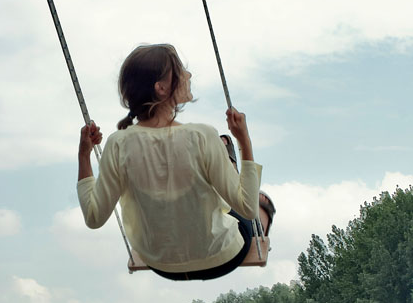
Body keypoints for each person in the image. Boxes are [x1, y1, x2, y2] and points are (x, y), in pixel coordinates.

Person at [77, 43, 275, 281]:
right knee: (254, 207)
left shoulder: (117, 144)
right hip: (222, 258)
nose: (188, 75)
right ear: (161, 88)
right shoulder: (202, 136)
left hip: (162, 265)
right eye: (181, 70)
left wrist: (84, 155)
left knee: (206, 187)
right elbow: (248, 208)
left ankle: (223, 167)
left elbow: (94, 218)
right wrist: (244, 140)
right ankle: (231, 169)